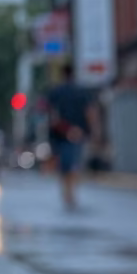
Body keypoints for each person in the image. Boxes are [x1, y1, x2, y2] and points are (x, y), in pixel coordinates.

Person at [44, 64, 96, 209]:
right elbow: (90, 112)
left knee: (64, 165)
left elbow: (50, 113)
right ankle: (71, 193)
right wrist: (91, 131)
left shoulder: (55, 92)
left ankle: (66, 192)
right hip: (77, 133)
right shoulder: (82, 92)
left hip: (60, 133)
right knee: (74, 164)